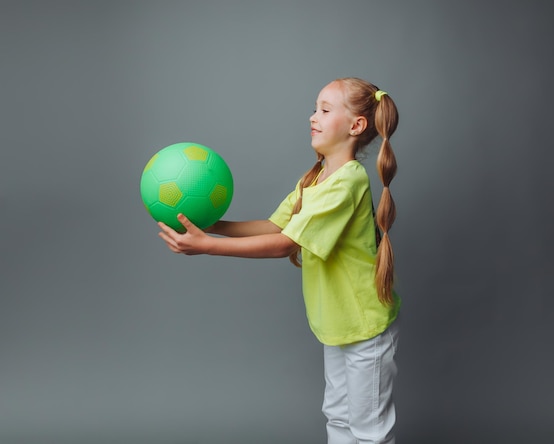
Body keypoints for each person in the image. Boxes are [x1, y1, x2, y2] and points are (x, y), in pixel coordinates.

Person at [157, 77, 401, 444]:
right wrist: (211, 225)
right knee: (337, 417)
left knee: (369, 431)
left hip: (365, 326)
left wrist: (208, 245)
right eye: (314, 108)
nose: (312, 117)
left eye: (324, 109)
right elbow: (273, 225)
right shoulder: (317, 178)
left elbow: (284, 243)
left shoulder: (348, 182)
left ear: (356, 126)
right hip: (337, 324)